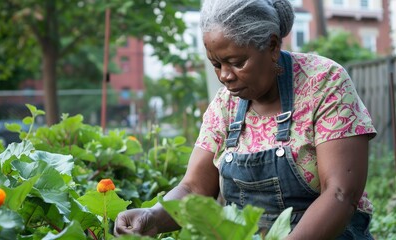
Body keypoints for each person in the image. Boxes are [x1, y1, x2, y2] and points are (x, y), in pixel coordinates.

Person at [114, 0, 377, 239]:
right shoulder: (225, 104)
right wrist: (153, 216)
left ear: (272, 46)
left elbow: (341, 194)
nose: (225, 76)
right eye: (217, 64)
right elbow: (194, 187)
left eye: (236, 62)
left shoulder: (324, 83)